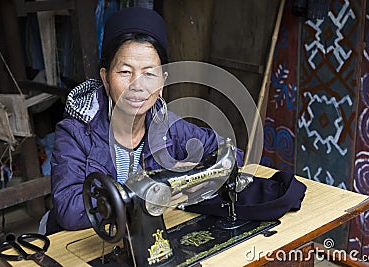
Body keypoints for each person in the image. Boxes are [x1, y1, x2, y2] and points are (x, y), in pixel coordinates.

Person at [46, 7, 244, 234]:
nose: (137, 85)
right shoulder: (76, 133)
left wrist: (190, 180)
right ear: (105, 78)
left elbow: (229, 154)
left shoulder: (170, 127)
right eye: (124, 72)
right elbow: (69, 211)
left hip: (139, 235)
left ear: (163, 80)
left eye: (149, 74)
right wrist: (150, 190)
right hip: (81, 244)